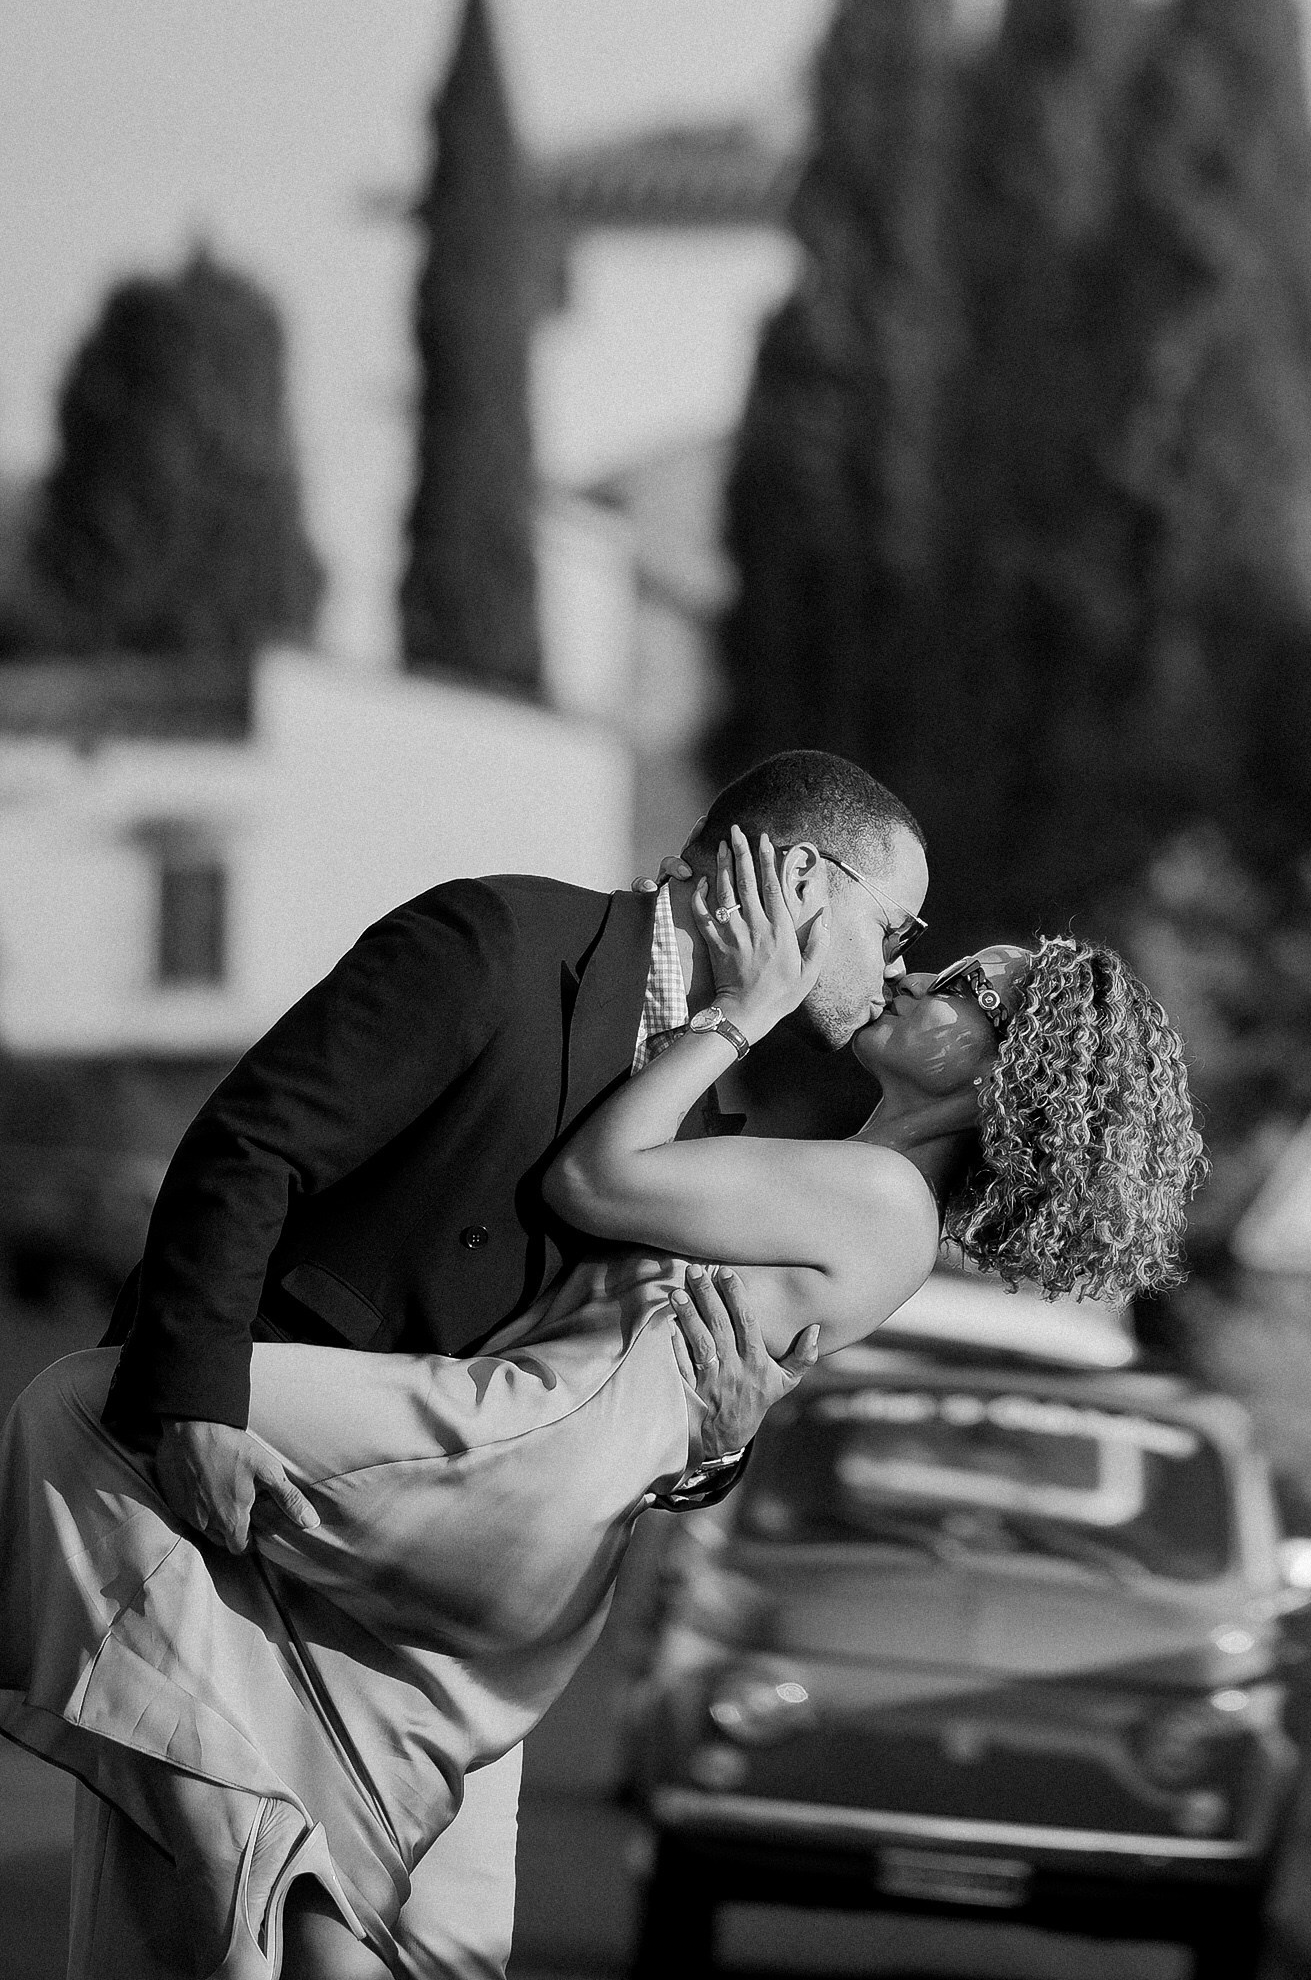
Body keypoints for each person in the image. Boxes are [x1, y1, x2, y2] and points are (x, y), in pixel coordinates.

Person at [0, 815, 1204, 1980]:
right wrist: (719, 1451)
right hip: (555, 1511)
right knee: (384, 1928)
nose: (914, 972)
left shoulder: (879, 1202)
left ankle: (231, 1830)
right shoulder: (822, 1166)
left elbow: (593, 1181)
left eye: (960, 988)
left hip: (520, 1459)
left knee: (86, 1409)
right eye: (914, 941)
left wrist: (737, 1015)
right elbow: (703, 1362)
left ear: (1007, 1079)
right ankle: (268, 1848)